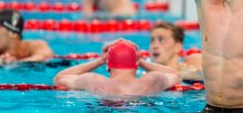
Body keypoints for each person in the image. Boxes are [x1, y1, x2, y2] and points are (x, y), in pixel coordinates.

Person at [53, 39, 181, 96]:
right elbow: (176, 75)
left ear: (108, 65)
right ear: (136, 64)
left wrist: (99, 60)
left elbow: (60, 78)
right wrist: (141, 60)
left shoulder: (93, 81)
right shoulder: (153, 79)